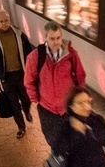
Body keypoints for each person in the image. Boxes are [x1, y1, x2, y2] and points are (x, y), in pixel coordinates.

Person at [25, 21, 85, 150]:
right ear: (45, 37)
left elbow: (80, 76)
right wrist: (36, 101)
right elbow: (29, 81)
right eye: (52, 38)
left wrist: (78, 99)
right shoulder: (35, 57)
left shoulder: (71, 54)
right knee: (55, 144)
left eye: (58, 38)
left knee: (74, 142)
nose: (56, 42)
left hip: (68, 108)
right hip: (48, 110)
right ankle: (60, 165)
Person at [0, 10, 35, 138]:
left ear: (10, 19)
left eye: (6, 21)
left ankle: (27, 110)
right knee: (13, 104)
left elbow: (30, 54)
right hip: (6, 77)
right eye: (1, 21)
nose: (4, 24)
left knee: (26, 98)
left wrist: (31, 71)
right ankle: (21, 127)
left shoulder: (19, 34)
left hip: (21, 74)